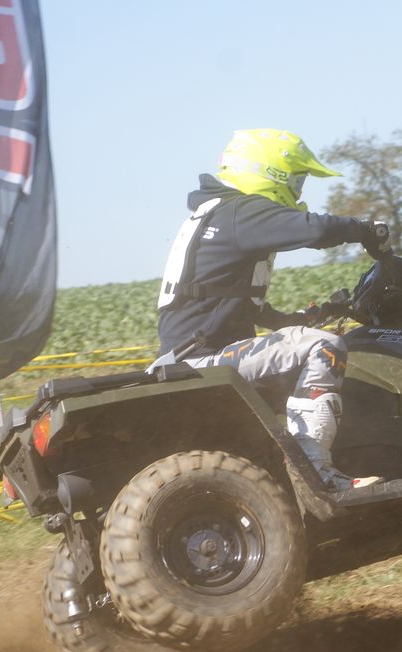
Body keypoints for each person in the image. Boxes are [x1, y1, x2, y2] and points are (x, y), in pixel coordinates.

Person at [153, 128, 387, 490]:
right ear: (268, 173)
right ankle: (318, 475)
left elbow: (233, 302)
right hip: (202, 359)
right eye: (296, 180)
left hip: (191, 356)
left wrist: (297, 320)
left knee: (306, 347)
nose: (299, 191)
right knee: (323, 347)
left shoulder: (218, 214)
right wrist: (365, 229)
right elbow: (315, 230)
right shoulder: (239, 211)